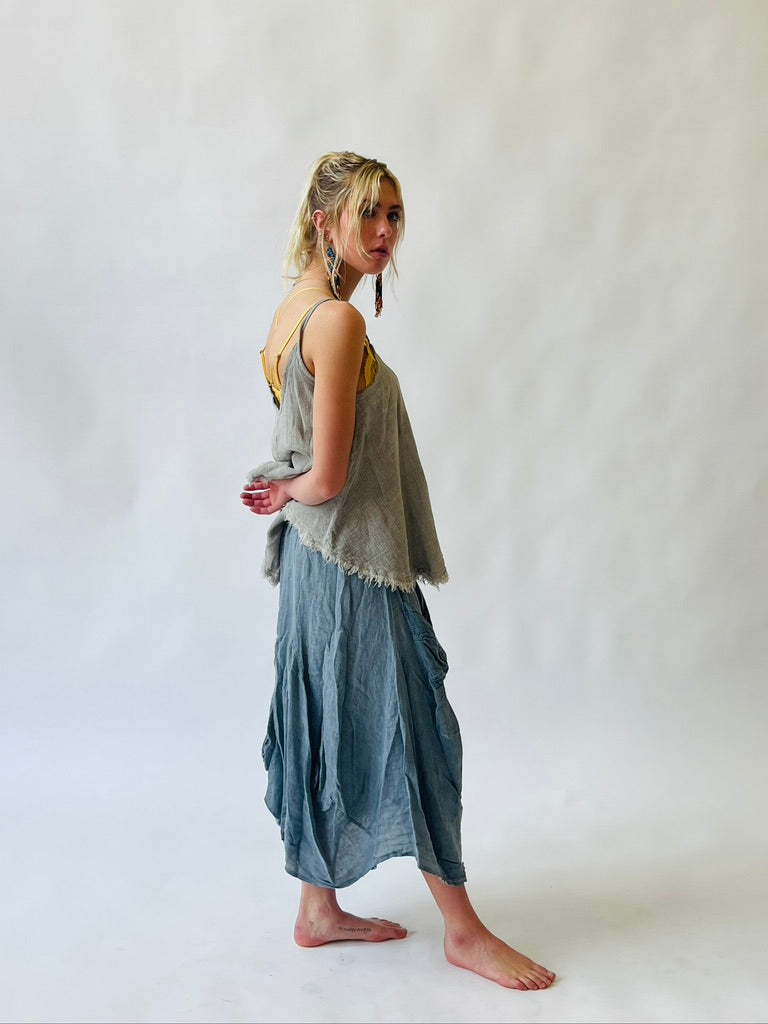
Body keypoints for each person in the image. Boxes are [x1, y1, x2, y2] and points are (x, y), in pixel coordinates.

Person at [240, 151, 556, 991]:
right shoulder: (339, 323)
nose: (385, 232)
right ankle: (464, 932)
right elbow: (328, 475)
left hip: (315, 565)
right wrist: (290, 488)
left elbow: (304, 464)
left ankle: (317, 910)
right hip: (356, 567)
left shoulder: (292, 310)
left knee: (328, 722)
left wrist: (283, 490)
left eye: (395, 215)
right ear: (324, 222)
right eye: (369, 214)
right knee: (414, 730)